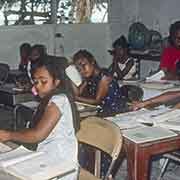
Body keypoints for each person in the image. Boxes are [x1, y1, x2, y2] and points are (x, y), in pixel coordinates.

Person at [0, 56, 79, 180]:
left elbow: (38, 135)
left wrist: (9, 135)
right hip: (45, 156)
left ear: (57, 81)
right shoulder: (47, 100)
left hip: (62, 166)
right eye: (36, 82)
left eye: (44, 81)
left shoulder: (60, 100)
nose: (38, 86)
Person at [72, 49, 128, 117]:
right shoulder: (90, 76)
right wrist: (66, 76)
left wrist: (75, 98)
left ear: (92, 62)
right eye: (79, 69)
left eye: (84, 65)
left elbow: (96, 101)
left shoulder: (104, 76)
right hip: (102, 110)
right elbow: (78, 92)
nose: (82, 70)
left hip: (115, 112)